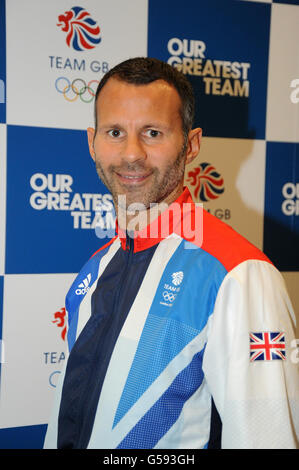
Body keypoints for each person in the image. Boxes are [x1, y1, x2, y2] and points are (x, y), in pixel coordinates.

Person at [44, 57, 299, 449]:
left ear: (191, 144)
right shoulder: (95, 268)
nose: (131, 154)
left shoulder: (238, 274)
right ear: (92, 143)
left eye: (152, 132)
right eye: (115, 132)